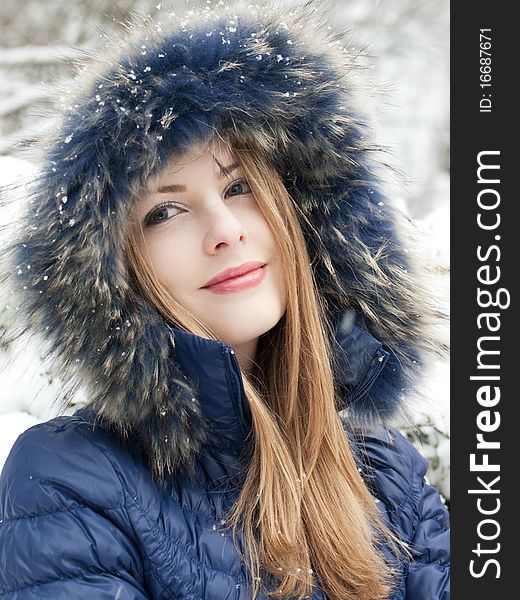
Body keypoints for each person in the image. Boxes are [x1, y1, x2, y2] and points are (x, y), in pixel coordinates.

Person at [0, 1, 449, 598]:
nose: (225, 230)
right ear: (113, 274)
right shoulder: (70, 482)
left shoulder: (391, 479)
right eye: (165, 211)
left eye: (238, 187)